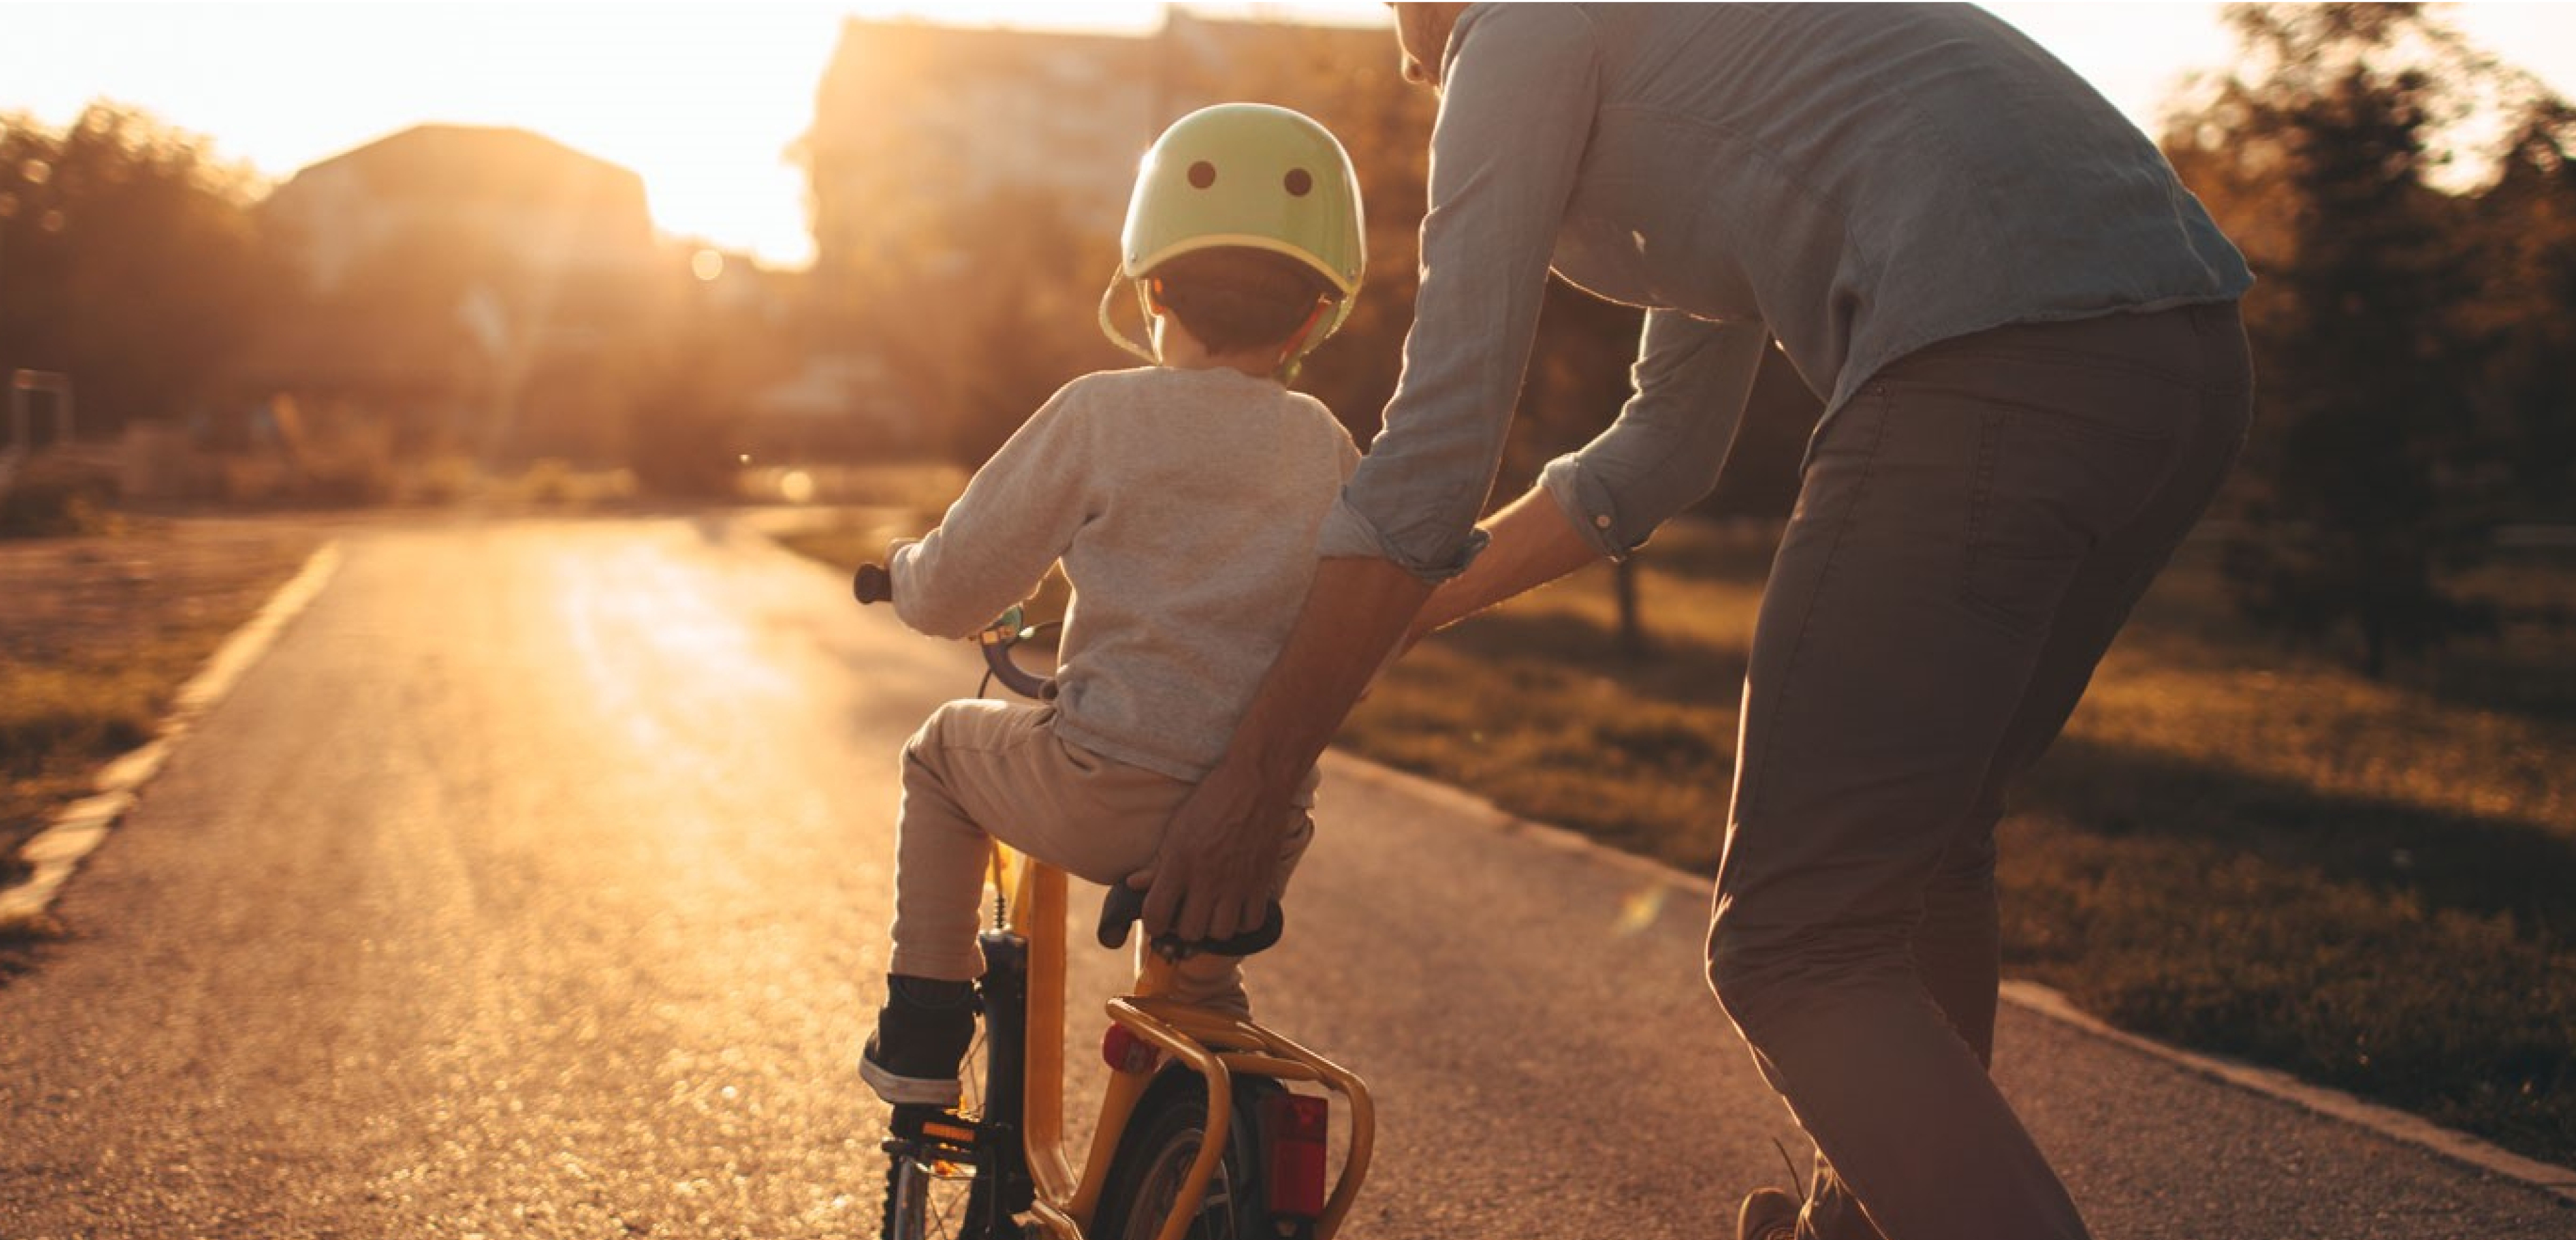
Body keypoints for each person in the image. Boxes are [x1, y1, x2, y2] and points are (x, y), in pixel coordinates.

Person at [1131, 6, 2254, 1239]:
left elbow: (1440, 444)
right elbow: (1660, 451)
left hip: (1985, 355)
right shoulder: (1690, 38)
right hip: (2183, 356)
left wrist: (1255, 773)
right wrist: (1400, 616)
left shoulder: (1519, 34)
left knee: (1792, 945)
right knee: (1924, 854)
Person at [857, 103, 1370, 1107]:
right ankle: (1202, 1080)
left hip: (1104, 796)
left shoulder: (1102, 412)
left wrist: (907, 572)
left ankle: (922, 1027)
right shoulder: (1327, 444)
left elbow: (959, 584)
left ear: (1151, 285)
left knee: (943, 752)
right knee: (1196, 999)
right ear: (1316, 313)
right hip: (1261, 834)